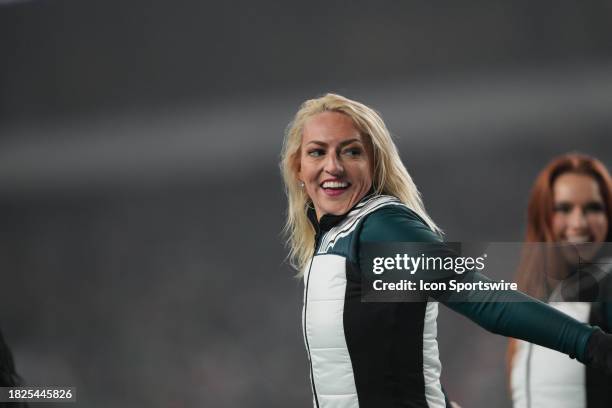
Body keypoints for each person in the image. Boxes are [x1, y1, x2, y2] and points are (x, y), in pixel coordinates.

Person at [280, 93, 612, 408]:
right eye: (317, 152)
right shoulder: (332, 239)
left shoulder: (381, 228)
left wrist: (594, 344)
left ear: (373, 163)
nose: (333, 166)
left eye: (351, 152)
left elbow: (483, 298)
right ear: (298, 167)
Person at [508, 154, 612, 408]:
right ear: (543, 217)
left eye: (593, 208)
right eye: (564, 209)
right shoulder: (533, 296)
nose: (578, 223)